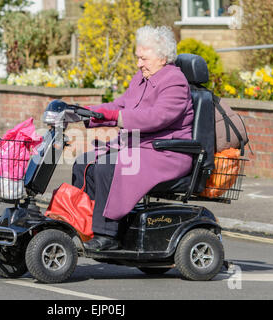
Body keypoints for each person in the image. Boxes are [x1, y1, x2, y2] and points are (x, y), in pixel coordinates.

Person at [72, 25, 194, 251]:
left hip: (167, 153)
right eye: (138, 58)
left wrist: (115, 117)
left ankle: (106, 235)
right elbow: (119, 105)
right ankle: (82, 226)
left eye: (144, 58)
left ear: (163, 57)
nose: (139, 64)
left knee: (108, 167)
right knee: (84, 164)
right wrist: (85, 111)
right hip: (139, 147)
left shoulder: (175, 82)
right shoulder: (141, 78)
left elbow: (156, 118)